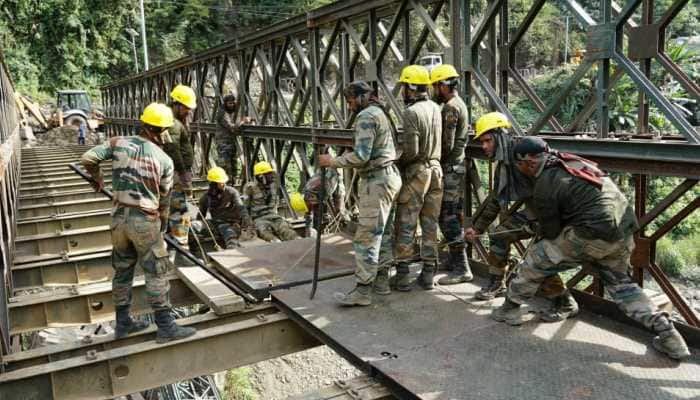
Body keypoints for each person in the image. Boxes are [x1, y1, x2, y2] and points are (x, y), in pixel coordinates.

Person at [493, 136, 691, 360]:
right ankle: (668, 334)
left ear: (529, 162)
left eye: (519, 166)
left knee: (537, 258)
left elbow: (551, 233)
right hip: (623, 231)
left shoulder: (545, 183)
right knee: (622, 286)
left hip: (592, 233)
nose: (520, 170)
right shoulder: (570, 161)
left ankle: (509, 308)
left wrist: (533, 226)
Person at [81, 103, 196, 343]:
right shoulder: (164, 159)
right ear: (161, 131)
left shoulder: (117, 142)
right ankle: (165, 326)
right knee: (156, 271)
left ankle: (123, 323)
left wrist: (98, 178)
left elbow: (88, 157)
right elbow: (164, 202)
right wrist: (161, 227)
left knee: (122, 272)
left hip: (118, 220)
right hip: (144, 220)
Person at [465, 112, 569, 314]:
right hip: (536, 213)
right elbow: (496, 199)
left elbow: (551, 190)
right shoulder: (504, 162)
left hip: (553, 215)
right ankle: (497, 282)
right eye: (481, 142)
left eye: (487, 140)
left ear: (500, 136)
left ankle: (564, 301)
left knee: (539, 258)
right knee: (499, 235)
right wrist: (477, 228)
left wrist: (545, 224)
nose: (484, 146)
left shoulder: (523, 157)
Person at [319, 80, 401, 306]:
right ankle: (381, 283)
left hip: (376, 182)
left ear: (361, 97)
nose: (349, 105)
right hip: (389, 177)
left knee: (366, 237)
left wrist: (332, 161)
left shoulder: (366, 117)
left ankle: (363, 292)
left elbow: (362, 156)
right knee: (381, 233)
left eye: (350, 100)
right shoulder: (381, 112)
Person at [391, 65, 443, 291]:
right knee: (430, 223)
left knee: (406, 222)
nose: (402, 91)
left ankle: (402, 275)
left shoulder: (411, 112)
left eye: (404, 86)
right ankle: (429, 273)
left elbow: (411, 150)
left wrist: (398, 163)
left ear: (411, 88)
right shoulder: (435, 108)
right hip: (436, 171)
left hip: (417, 173)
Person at [429, 64, 473, 285]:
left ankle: (462, 268)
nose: (433, 90)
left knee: (447, 217)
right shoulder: (458, 104)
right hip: (455, 168)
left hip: (450, 170)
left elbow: (447, 144)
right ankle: (455, 262)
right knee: (452, 216)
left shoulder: (450, 108)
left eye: (436, 85)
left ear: (443, 86)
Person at [164, 84, 197, 265]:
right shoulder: (174, 124)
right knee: (180, 212)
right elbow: (173, 149)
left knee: (170, 211)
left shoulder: (171, 120)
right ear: (176, 104)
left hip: (171, 174)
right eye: (186, 108)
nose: (188, 112)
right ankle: (183, 253)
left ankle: (172, 250)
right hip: (176, 176)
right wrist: (184, 175)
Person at [196, 167, 255, 249]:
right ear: (213, 183)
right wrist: (198, 230)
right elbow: (201, 216)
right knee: (194, 226)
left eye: (223, 182)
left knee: (230, 237)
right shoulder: (206, 197)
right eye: (220, 182)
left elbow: (241, 208)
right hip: (215, 223)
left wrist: (248, 223)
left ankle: (232, 251)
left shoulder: (231, 192)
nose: (223, 184)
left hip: (231, 224)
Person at [243, 161, 299, 242]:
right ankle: (275, 242)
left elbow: (274, 202)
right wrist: (249, 224)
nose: (271, 176)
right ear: (260, 176)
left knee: (288, 231)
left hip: (273, 216)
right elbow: (245, 208)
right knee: (265, 233)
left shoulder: (273, 185)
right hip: (259, 218)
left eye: (270, 173)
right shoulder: (250, 188)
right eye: (268, 174)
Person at [215, 94, 250, 182]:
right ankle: (226, 184)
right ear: (225, 103)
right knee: (225, 166)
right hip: (223, 143)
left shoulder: (233, 112)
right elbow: (232, 128)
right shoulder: (222, 113)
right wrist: (242, 121)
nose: (231, 105)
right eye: (229, 103)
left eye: (233, 103)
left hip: (231, 143)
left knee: (233, 166)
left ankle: (232, 183)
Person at [301, 168, 346, 236]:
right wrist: (308, 228)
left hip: (333, 179)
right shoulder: (306, 197)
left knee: (339, 210)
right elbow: (308, 214)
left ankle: (340, 226)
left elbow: (338, 196)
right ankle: (316, 231)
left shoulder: (323, 186)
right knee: (315, 212)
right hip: (322, 186)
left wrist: (339, 209)